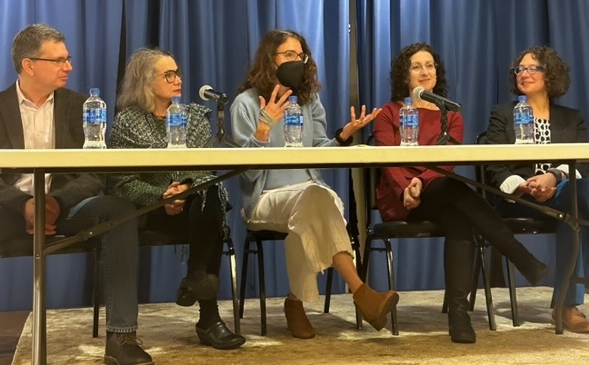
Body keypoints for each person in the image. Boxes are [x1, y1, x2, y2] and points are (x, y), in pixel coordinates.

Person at [0, 24, 152, 365]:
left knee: (118, 209)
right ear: (29, 65)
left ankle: (122, 337)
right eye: (59, 60)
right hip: (10, 211)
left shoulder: (82, 106)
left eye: (68, 59)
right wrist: (26, 205)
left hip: (68, 206)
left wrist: (55, 203)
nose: (69, 67)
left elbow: (95, 171)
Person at [373, 42, 549, 344]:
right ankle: (519, 257)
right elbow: (387, 158)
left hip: (438, 193)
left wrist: (421, 182)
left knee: (457, 210)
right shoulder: (389, 113)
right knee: (455, 190)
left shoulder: (450, 114)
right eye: (416, 66)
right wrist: (406, 188)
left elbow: (445, 161)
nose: (424, 71)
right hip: (399, 198)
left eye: (429, 66)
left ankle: (458, 312)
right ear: (405, 76)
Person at [229, 29, 397, 340]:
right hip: (265, 198)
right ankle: (360, 292)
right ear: (270, 59)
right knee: (316, 200)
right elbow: (245, 173)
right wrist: (264, 128)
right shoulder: (246, 104)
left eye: (300, 55)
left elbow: (318, 152)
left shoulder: (309, 101)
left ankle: (296, 302)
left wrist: (343, 136)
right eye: (288, 55)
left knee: (314, 201)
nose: (296, 61)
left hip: (309, 193)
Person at [107, 48, 246, 350]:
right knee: (211, 213)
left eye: (177, 72)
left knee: (210, 193)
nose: (177, 79)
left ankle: (197, 279)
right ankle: (207, 316)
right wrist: (162, 195)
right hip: (150, 208)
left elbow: (205, 169)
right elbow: (120, 183)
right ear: (145, 81)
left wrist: (183, 189)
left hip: (195, 206)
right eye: (167, 74)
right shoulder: (127, 122)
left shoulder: (193, 117)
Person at [484, 45, 589, 333]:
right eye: (520, 69)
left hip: (563, 194)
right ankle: (566, 306)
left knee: (576, 204)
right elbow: (492, 165)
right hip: (518, 199)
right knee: (579, 207)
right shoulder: (503, 114)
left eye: (533, 68)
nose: (524, 73)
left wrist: (553, 177)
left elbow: (582, 163)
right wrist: (525, 186)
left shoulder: (572, 118)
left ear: (550, 75)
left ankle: (565, 305)